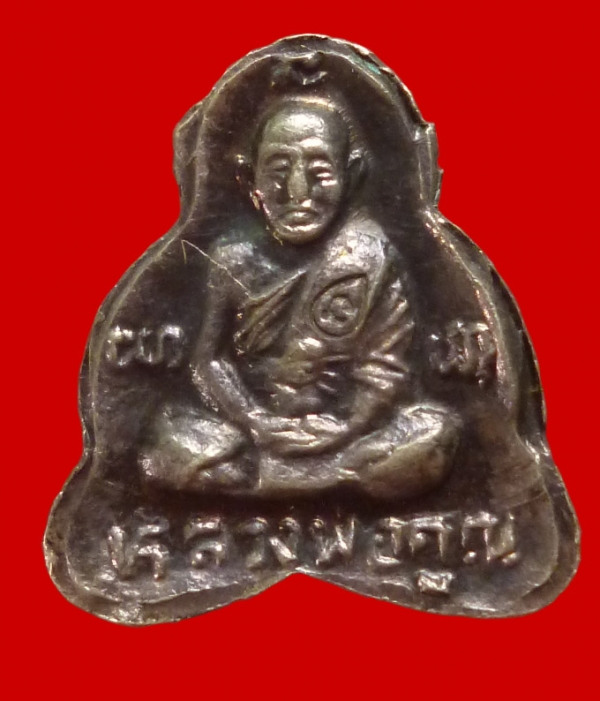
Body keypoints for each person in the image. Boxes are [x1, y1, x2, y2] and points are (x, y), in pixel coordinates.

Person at [139, 95, 460, 499]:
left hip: (348, 438)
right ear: (249, 179)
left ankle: (271, 484)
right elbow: (210, 359)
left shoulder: (370, 256)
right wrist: (253, 419)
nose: (297, 192)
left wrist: (346, 426)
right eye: (277, 172)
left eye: (319, 172)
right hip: (251, 436)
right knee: (165, 435)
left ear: (351, 174)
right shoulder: (232, 258)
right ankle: (331, 483)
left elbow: (386, 368)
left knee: (435, 431)